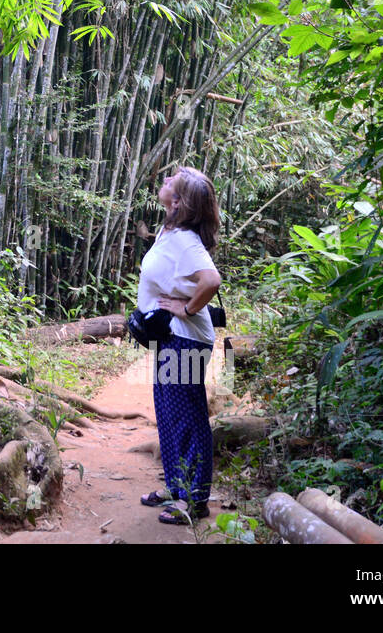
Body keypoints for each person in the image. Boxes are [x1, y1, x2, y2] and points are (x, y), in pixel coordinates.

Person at [136, 165, 222, 525]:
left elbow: (211, 280)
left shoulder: (186, 240)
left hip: (185, 341)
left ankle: (196, 499)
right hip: (171, 338)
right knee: (170, 414)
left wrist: (186, 309)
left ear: (179, 201)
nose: (165, 181)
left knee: (187, 418)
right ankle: (177, 486)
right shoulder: (170, 230)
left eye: (173, 181)